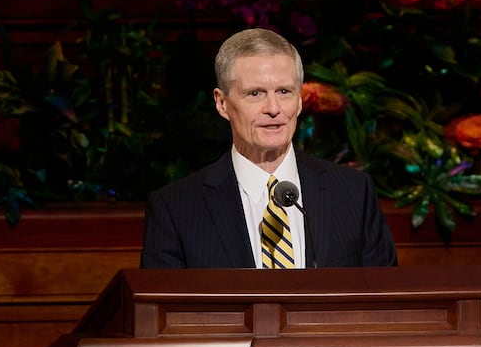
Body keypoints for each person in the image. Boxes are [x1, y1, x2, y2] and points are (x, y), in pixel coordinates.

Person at [140, 28, 397, 268]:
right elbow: (158, 311)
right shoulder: (175, 208)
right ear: (222, 103)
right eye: (255, 94)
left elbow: (386, 301)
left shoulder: (353, 193)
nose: (273, 109)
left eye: (284, 91)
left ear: (298, 101)